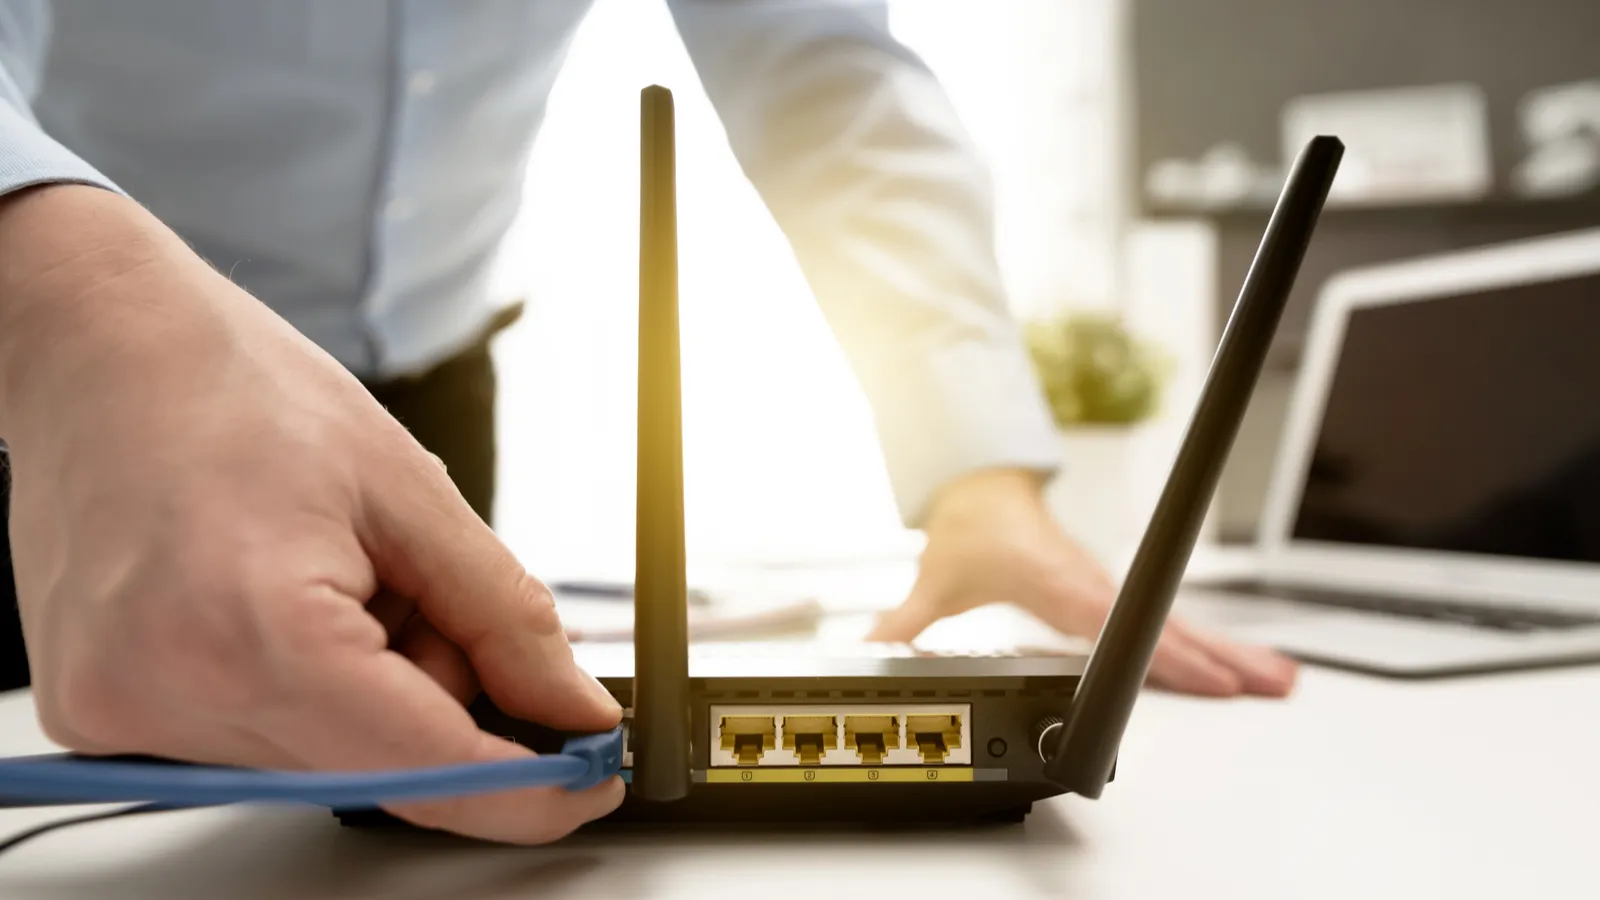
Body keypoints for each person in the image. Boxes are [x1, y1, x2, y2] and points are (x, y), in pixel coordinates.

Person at [0, 1, 1296, 845]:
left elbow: (827, 71)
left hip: (431, 387)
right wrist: (82, 299)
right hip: (70, 362)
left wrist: (980, 474)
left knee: (397, 714)